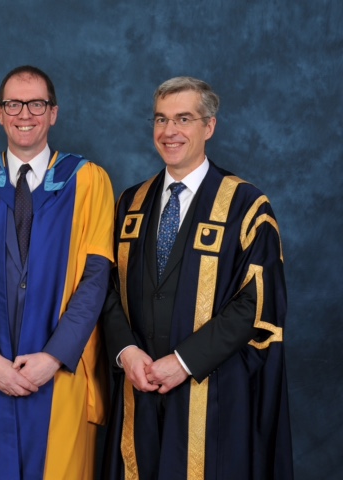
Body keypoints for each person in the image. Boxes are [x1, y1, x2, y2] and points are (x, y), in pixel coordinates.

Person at [101, 76, 293, 479]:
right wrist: (126, 352)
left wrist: (184, 362)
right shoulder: (130, 204)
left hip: (213, 391)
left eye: (183, 119)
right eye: (161, 120)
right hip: (140, 387)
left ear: (209, 127)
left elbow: (256, 303)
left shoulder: (245, 205)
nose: (169, 132)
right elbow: (107, 289)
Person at [0, 65, 114, 479]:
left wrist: (54, 357)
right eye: (14, 104)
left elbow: (95, 280)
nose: (25, 114)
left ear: (53, 112)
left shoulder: (89, 182)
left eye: (37, 103)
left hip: (62, 374)